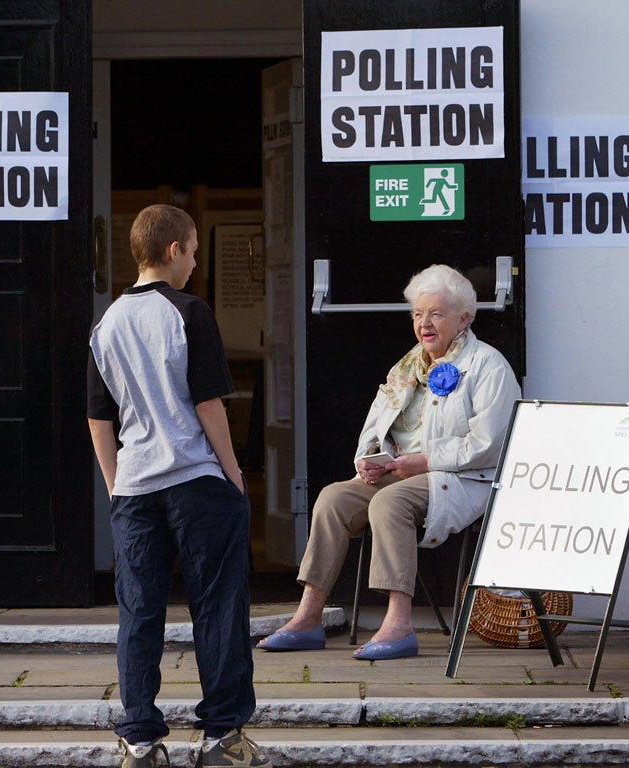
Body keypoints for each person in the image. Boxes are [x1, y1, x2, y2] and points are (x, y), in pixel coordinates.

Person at [258, 264, 520, 660]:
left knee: (388, 503)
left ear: (465, 318)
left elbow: (488, 445)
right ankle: (309, 615)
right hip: (404, 473)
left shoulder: (488, 366)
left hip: (462, 478)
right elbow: (376, 423)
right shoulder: (408, 366)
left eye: (436, 313)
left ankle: (398, 623)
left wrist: (426, 461)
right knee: (333, 498)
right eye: (417, 313)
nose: (424, 323)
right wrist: (369, 459)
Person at [88, 204, 271, 768]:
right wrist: (235, 474)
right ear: (174, 250)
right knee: (217, 606)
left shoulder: (107, 322)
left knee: (139, 611)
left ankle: (140, 739)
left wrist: (116, 487)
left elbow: (99, 417)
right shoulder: (189, 311)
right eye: (192, 251)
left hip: (136, 485)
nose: (194, 262)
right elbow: (208, 402)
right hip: (195, 478)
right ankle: (221, 738)